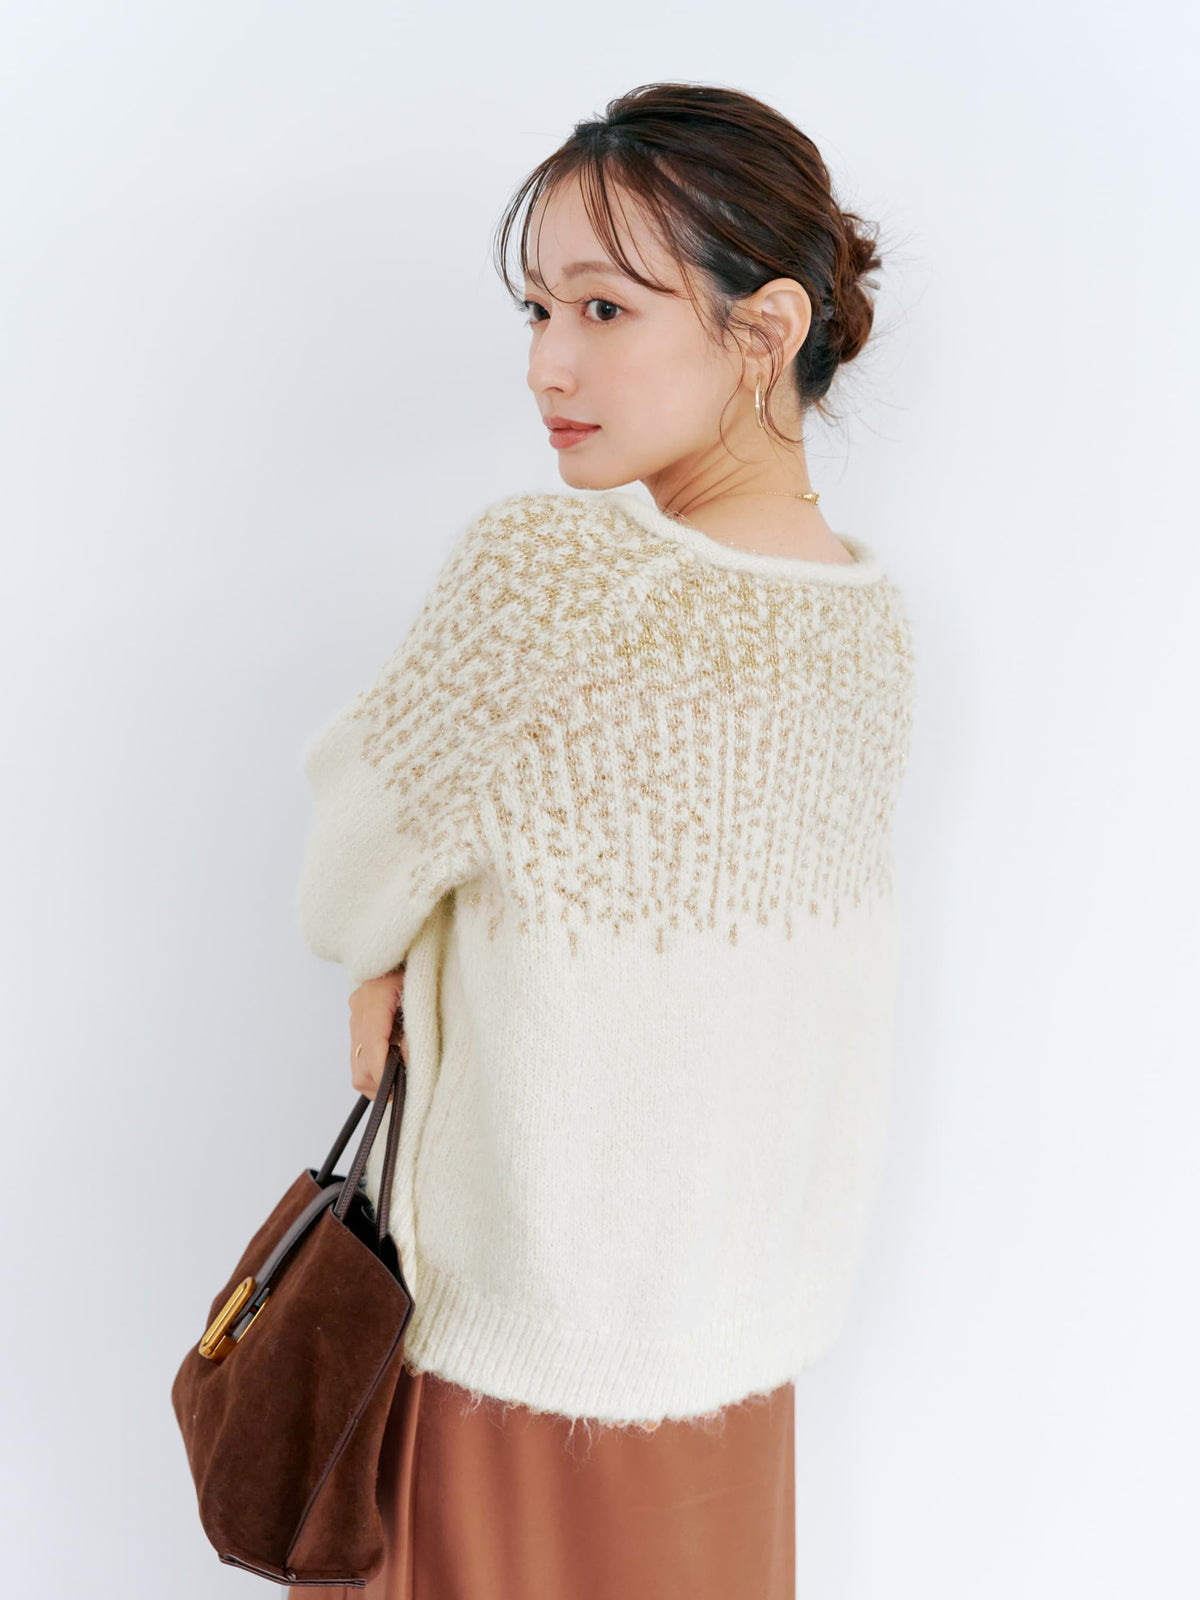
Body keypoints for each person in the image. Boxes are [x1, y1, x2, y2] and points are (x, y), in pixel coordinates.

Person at [292, 79, 916, 1600]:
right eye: (537, 308)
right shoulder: (869, 624)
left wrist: (386, 951)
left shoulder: (551, 576)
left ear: (765, 331)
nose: (547, 363)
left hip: (516, 1374)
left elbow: (347, 875)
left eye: (605, 309)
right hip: (737, 1379)